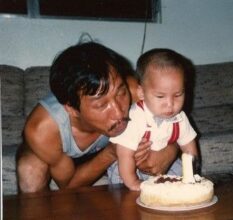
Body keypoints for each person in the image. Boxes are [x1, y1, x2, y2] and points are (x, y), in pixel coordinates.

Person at [16, 41, 179, 193]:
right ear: (71, 109)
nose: (119, 113)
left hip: (113, 150)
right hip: (62, 157)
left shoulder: (135, 90)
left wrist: (171, 150)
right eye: (101, 105)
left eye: (120, 93)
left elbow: (178, 119)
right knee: (30, 171)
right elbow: (68, 186)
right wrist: (111, 153)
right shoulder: (43, 130)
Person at [107, 48, 198, 191]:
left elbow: (189, 148)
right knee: (123, 189)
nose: (170, 104)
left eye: (178, 95)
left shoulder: (180, 118)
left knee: (180, 176)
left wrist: (191, 174)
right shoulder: (134, 117)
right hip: (130, 168)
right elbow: (124, 154)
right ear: (141, 93)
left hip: (164, 165)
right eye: (160, 96)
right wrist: (133, 183)